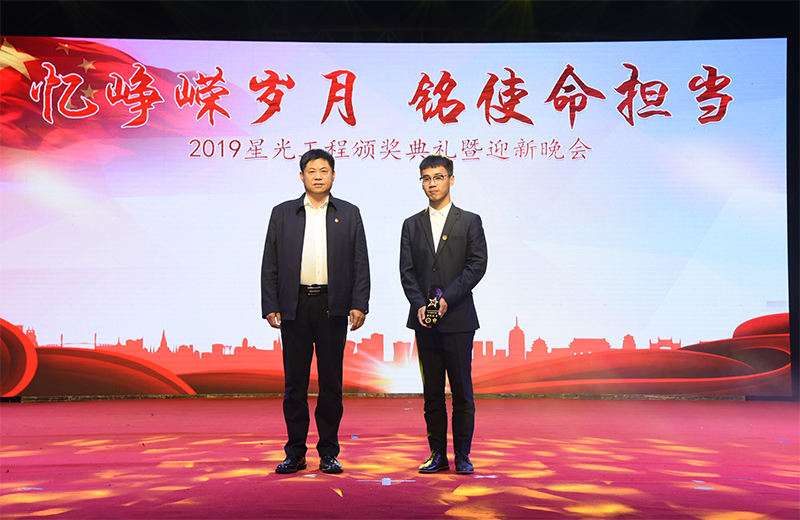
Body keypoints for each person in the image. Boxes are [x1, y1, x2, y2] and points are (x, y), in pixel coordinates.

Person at [261, 148, 370, 474]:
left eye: (324, 171)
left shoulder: (349, 213)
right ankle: (295, 452)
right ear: (301, 176)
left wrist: (359, 303)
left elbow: (360, 262)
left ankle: (328, 452)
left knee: (331, 383)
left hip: (332, 305)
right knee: (295, 384)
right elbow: (270, 263)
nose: (318, 176)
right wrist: (270, 304)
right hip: (294, 305)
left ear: (333, 175)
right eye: (311, 171)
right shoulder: (283, 213)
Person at [399, 154, 488, 475]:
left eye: (438, 177)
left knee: (462, 390)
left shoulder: (470, 221)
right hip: (424, 320)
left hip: (459, 317)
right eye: (426, 178)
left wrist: (447, 298)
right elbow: (406, 272)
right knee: (432, 392)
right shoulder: (411, 224)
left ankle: (463, 454)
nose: (432, 184)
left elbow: (477, 265)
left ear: (451, 179)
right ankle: (437, 454)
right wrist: (419, 304)